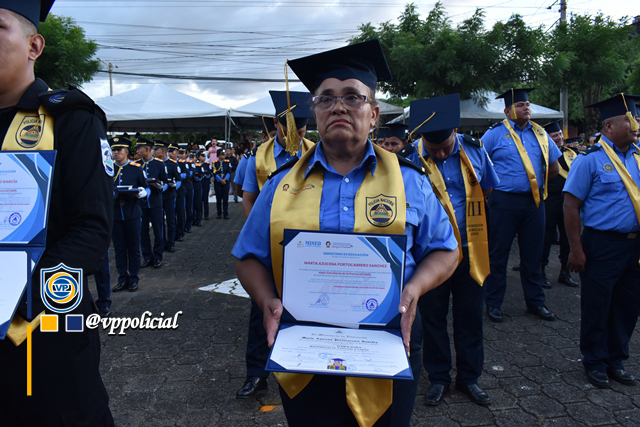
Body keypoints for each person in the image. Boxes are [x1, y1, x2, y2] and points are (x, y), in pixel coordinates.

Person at [232, 39, 459, 427]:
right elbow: (248, 256)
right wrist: (267, 299)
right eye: (326, 98)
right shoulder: (280, 184)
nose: (338, 106)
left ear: (374, 114)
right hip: (304, 344)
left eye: (353, 97)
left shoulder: (409, 181)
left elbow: (446, 250)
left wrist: (414, 288)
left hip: (388, 337)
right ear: (315, 112)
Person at [0, 1, 114, 424]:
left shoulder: (68, 118)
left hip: (40, 326)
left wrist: (17, 297)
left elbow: (91, 230)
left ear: (34, 46)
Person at [409, 94, 499, 407]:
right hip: (430, 255)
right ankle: (438, 378)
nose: (440, 153)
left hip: (471, 249)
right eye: (433, 149)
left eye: (446, 147)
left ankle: (469, 378)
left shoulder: (475, 150)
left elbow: (487, 188)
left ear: (456, 133)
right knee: (433, 317)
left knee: (470, 316)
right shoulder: (410, 157)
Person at [236, 91, 316, 399]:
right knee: (262, 308)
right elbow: (249, 199)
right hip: (271, 245)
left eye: (302, 130)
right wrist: (260, 235)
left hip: (307, 246)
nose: (296, 136)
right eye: (290, 129)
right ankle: (257, 374)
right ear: (276, 124)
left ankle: (305, 365)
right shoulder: (258, 157)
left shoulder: (316, 151)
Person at [564, 93, 640, 389]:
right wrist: (576, 248)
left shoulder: (638, 157)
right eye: (630, 120)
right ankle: (595, 361)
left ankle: (616, 359)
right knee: (598, 305)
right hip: (602, 243)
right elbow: (571, 206)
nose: (636, 125)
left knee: (628, 304)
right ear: (609, 126)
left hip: (634, 245)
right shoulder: (590, 160)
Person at [482, 88, 562, 323]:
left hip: (533, 202)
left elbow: (554, 167)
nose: (526, 107)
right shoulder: (494, 134)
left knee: (533, 255)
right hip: (503, 202)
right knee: (498, 255)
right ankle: (493, 303)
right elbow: (478, 164)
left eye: (527, 104)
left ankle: (535, 302)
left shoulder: (540, 133)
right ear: (507, 111)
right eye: (520, 105)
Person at [540, 120, 578, 289]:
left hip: (568, 201)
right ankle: (541, 271)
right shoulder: (542, 153)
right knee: (546, 238)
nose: (559, 138)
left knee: (567, 238)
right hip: (549, 200)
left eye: (560, 134)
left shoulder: (572, 154)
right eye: (555, 135)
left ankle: (565, 271)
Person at [111, 137, 148, 293]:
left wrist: (144, 192)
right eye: (113, 150)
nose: (116, 153)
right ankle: (122, 278)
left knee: (133, 247)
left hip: (132, 212)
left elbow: (145, 186)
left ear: (126, 151)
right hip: (115, 214)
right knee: (119, 248)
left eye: (119, 150)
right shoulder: (109, 168)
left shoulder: (136, 168)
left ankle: (133, 278)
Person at [136, 137, 168, 269]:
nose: (137, 151)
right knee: (143, 231)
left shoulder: (159, 164)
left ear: (147, 149)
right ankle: (147, 256)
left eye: (139, 148)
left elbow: (165, 182)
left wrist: (160, 186)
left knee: (158, 230)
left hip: (155, 201)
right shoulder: (137, 165)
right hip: (142, 203)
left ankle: (158, 256)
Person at [155, 141, 181, 253]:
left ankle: (170, 242)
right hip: (157, 195)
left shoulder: (172, 164)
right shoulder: (154, 164)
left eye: (156, 149)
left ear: (163, 151)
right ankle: (162, 242)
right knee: (159, 221)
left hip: (169, 194)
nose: (154, 151)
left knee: (170, 220)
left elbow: (178, 179)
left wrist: (174, 186)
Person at [213, 148, 232, 219]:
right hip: (218, 182)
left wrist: (225, 179)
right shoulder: (215, 163)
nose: (223, 156)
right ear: (218, 155)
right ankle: (219, 213)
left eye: (223, 154)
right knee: (218, 198)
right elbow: (214, 173)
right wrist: (220, 180)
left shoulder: (227, 162)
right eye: (221, 154)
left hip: (225, 181)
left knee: (225, 198)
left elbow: (229, 171)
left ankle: (225, 213)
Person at [175, 145, 188, 241]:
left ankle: (180, 232)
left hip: (179, 190)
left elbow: (186, 174)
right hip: (169, 191)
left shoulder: (182, 163)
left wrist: (177, 177)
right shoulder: (165, 163)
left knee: (180, 213)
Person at [191, 150, 204, 227]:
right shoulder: (188, 165)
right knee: (191, 204)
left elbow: (202, 174)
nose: (192, 159)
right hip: (191, 185)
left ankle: (198, 219)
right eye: (191, 157)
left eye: (194, 157)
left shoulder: (198, 165)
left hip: (198, 186)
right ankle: (192, 219)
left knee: (198, 204)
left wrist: (198, 178)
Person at [199, 151, 212, 220]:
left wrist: (206, 175)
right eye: (202, 156)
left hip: (206, 183)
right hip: (199, 183)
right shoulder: (197, 164)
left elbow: (210, 173)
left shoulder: (207, 165)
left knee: (205, 199)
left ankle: (206, 215)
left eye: (204, 156)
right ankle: (199, 215)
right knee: (199, 200)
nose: (203, 158)